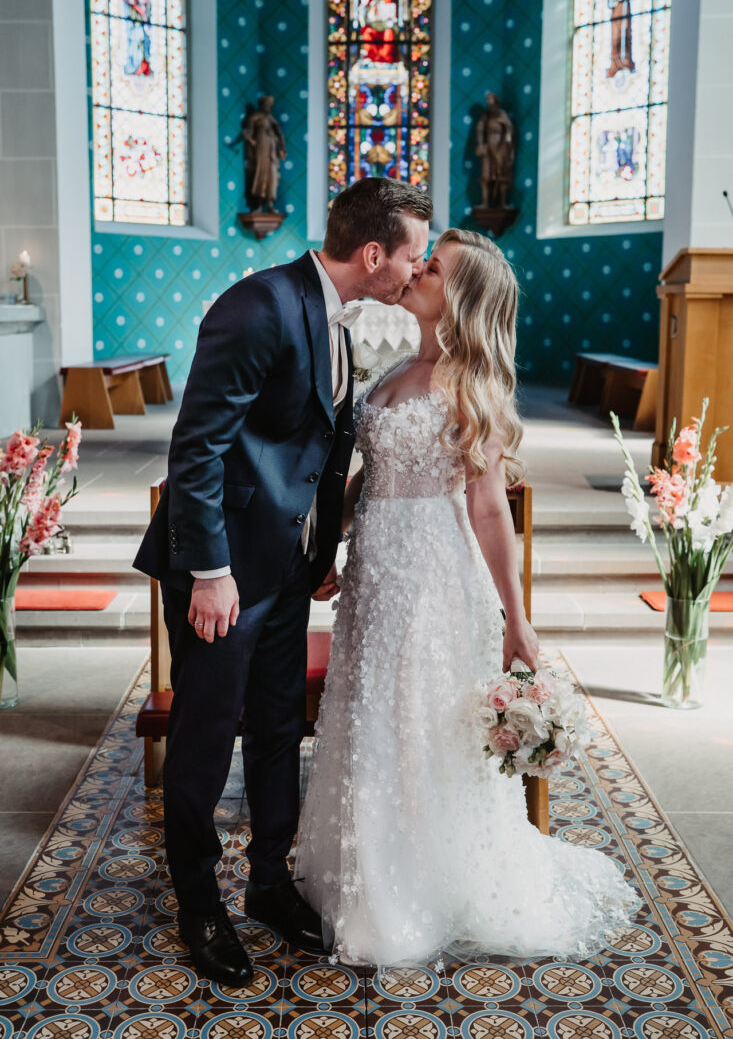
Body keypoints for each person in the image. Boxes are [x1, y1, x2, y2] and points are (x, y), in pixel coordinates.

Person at [296, 229, 641, 966]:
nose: (416, 268)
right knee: (369, 716)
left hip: (432, 579)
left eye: (433, 266)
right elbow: (372, 475)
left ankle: (415, 890)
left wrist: (517, 619)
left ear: (463, 298)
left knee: (419, 723)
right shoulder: (392, 370)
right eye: (423, 260)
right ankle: (365, 873)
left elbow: (488, 511)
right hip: (374, 573)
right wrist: (333, 541)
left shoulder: (470, 385)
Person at [133, 178, 432, 985]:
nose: (417, 269)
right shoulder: (257, 305)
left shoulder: (338, 315)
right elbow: (195, 450)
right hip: (222, 573)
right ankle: (199, 902)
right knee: (203, 736)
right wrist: (209, 573)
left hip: (287, 568)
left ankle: (268, 884)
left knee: (274, 729)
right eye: (411, 256)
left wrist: (322, 550)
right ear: (373, 255)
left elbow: (321, 449)